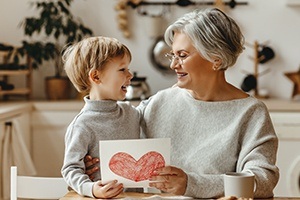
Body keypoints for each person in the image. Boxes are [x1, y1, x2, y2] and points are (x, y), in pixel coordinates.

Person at [84, 8, 279, 199]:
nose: (173, 65)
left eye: (183, 56)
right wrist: (95, 162)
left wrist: (191, 184)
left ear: (216, 60)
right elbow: (117, 133)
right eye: (173, 55)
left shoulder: (251, 113)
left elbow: (263, 181)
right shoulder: (160, 102)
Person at [61, 36, 141, 199]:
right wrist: (91, 189)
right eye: (122, 69)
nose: (130, 74)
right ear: (96, 77)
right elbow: (70, 169)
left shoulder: (131, 113)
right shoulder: (82, 125)